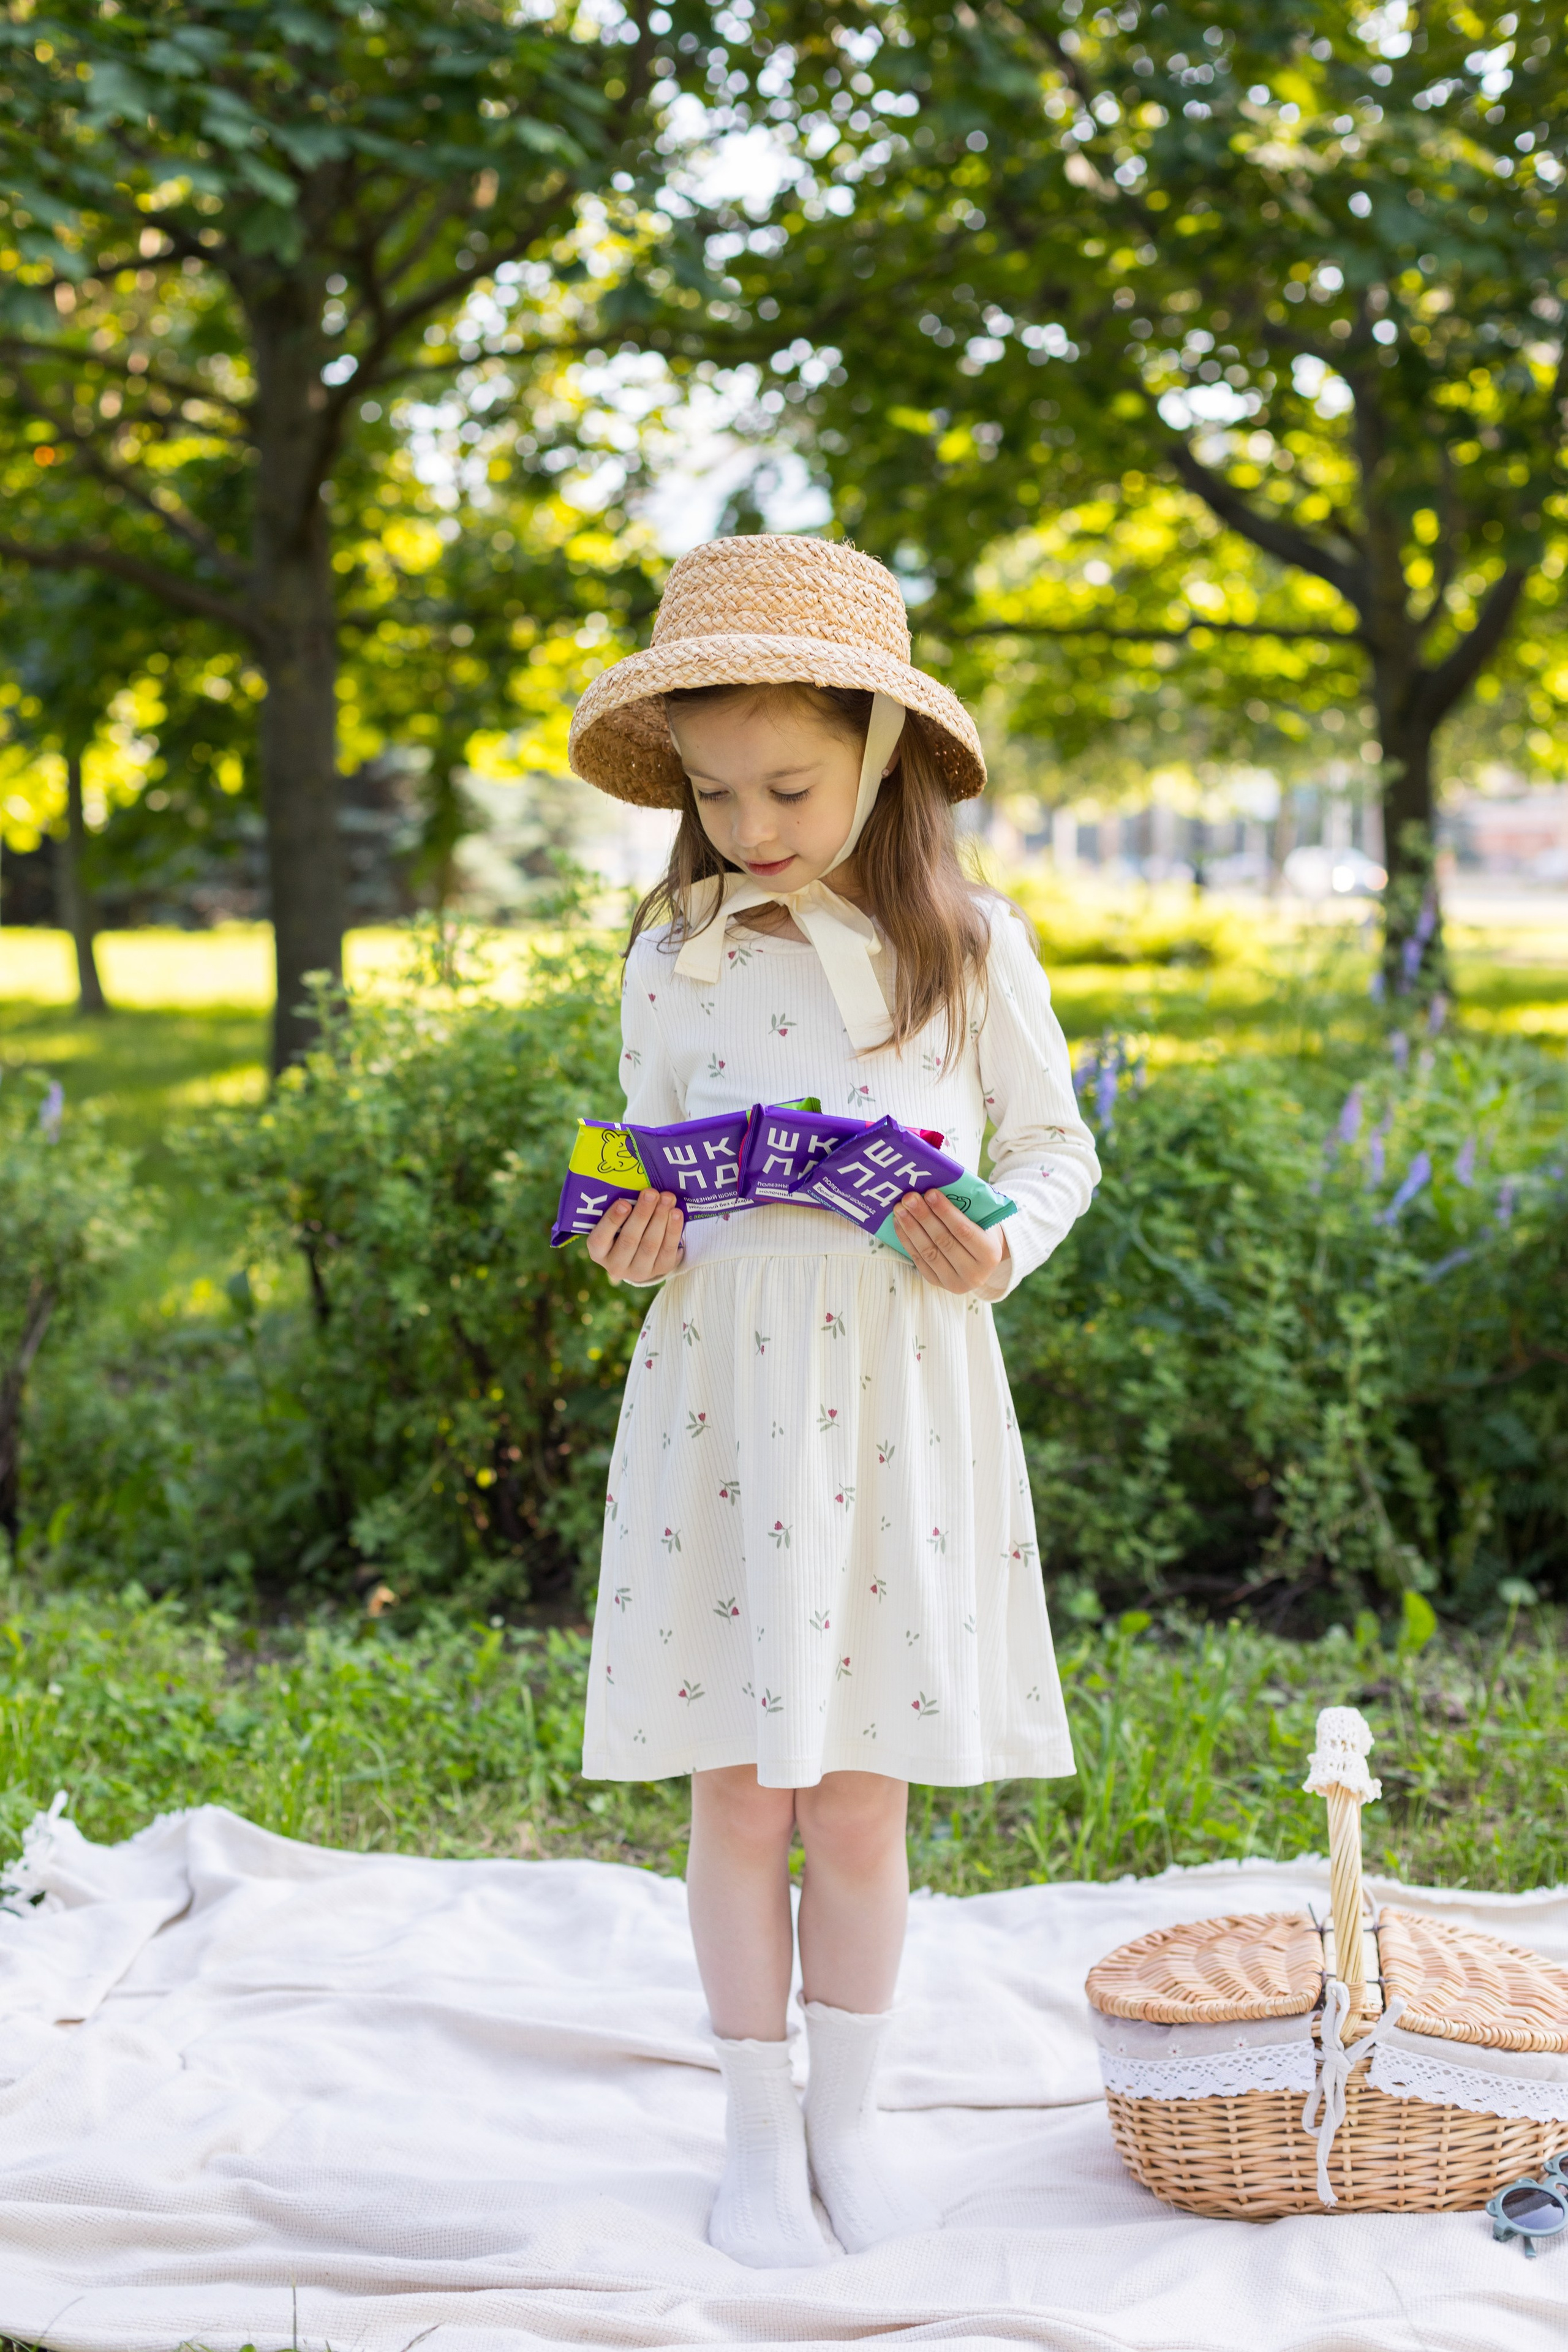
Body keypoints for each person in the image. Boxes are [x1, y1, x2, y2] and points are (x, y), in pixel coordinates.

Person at [566, 535, 1099, 2267]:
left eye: (787, 783)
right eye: (715, 796)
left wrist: (996, 1246)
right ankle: (747, 2135)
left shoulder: (969, 944)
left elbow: (1056, 1150)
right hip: (721, 1397)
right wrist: (628, 1240)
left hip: (894, 1400)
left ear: (879, 752)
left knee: (858, 1790)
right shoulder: (675, 952)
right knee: (738, 1784)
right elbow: (637, 1169)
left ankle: (850, 2132)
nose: (751, 825)